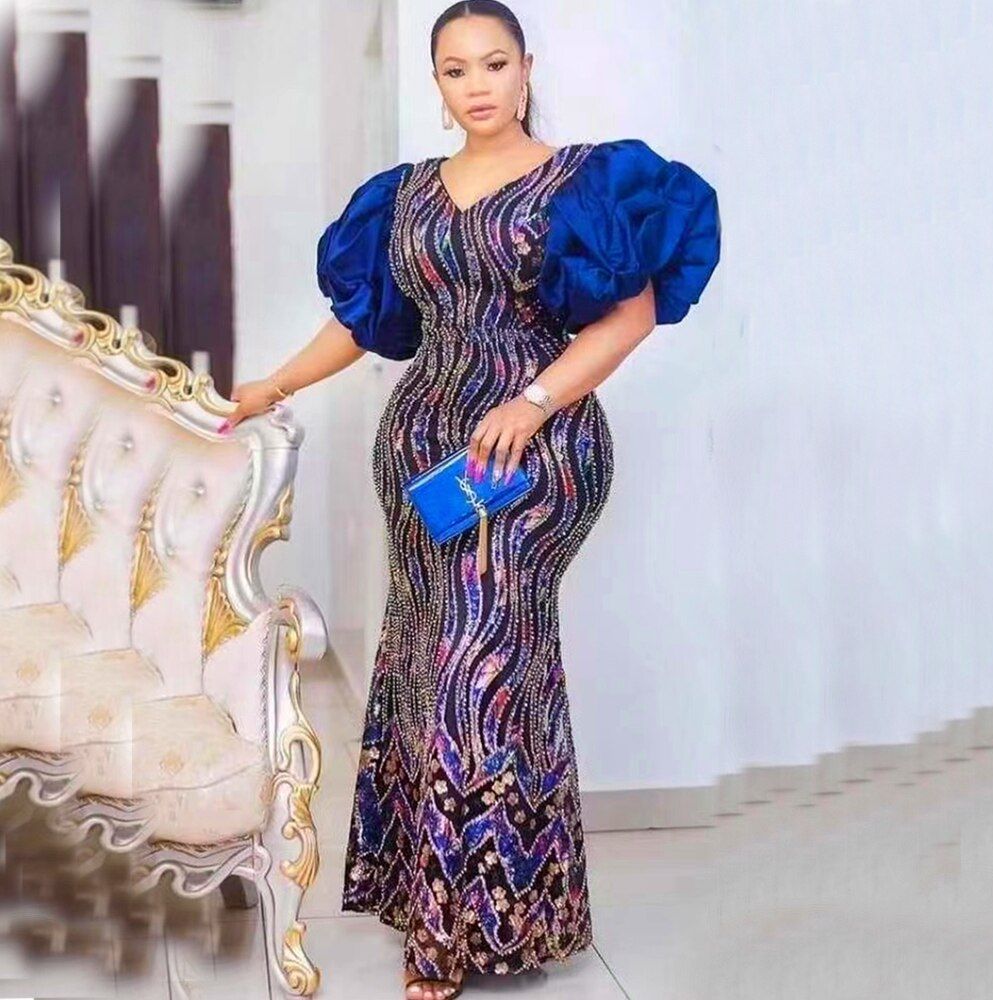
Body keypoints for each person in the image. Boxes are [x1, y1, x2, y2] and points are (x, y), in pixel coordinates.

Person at [225, 3, 721, 997]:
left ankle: (456, 936)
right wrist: (270, 386)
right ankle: (460, 899)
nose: (478, 84)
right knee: (427, 655)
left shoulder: (584, 180)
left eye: (495, 63)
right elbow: (361, 323)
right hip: (423, 459)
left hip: (534, 454)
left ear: (526, 69)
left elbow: (630, 316)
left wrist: (532, 403)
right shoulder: (404, 195)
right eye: (456, 70)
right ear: (437, 84)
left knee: (478, 660)